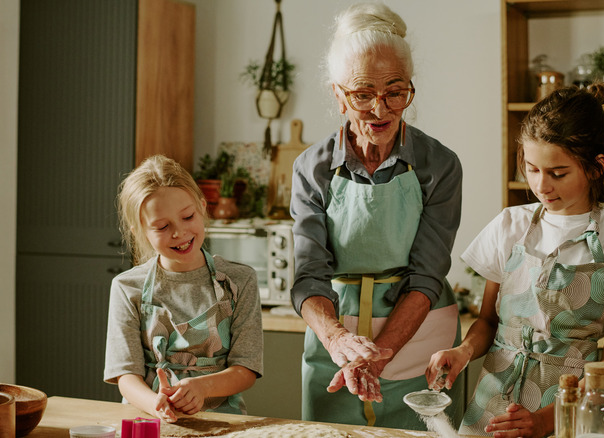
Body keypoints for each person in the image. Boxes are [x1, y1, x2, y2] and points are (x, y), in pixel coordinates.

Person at [426, 83, 604, 438]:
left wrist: (543, 421)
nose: (541, 185)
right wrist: (463, 351)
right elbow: (487, 322)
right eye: (532, 169)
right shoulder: (509, 225)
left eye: (558, 173)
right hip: (491, 406)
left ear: (596, 167)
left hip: (569, 412)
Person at [289, 3, 464, 430]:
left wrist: (377, 356)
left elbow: (427, 276)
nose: (381, 109)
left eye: (395, 91)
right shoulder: (311, 168)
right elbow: (309, 275)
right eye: (363, 94)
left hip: (420, 334)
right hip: (336, 342)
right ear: (338, 94)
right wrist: (339, 342)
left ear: (410, 87)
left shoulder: (439, 165)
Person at [103, 155, 263, 423]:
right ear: (139, 232)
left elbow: (245, 369)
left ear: (202, 207)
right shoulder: (126, 287)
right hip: (148, 420)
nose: (179, 233)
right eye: (162, 227)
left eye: (188, 216)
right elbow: (125, 375)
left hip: (223, 422)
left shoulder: (240, 280)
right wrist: (156, 404)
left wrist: (202, 388)